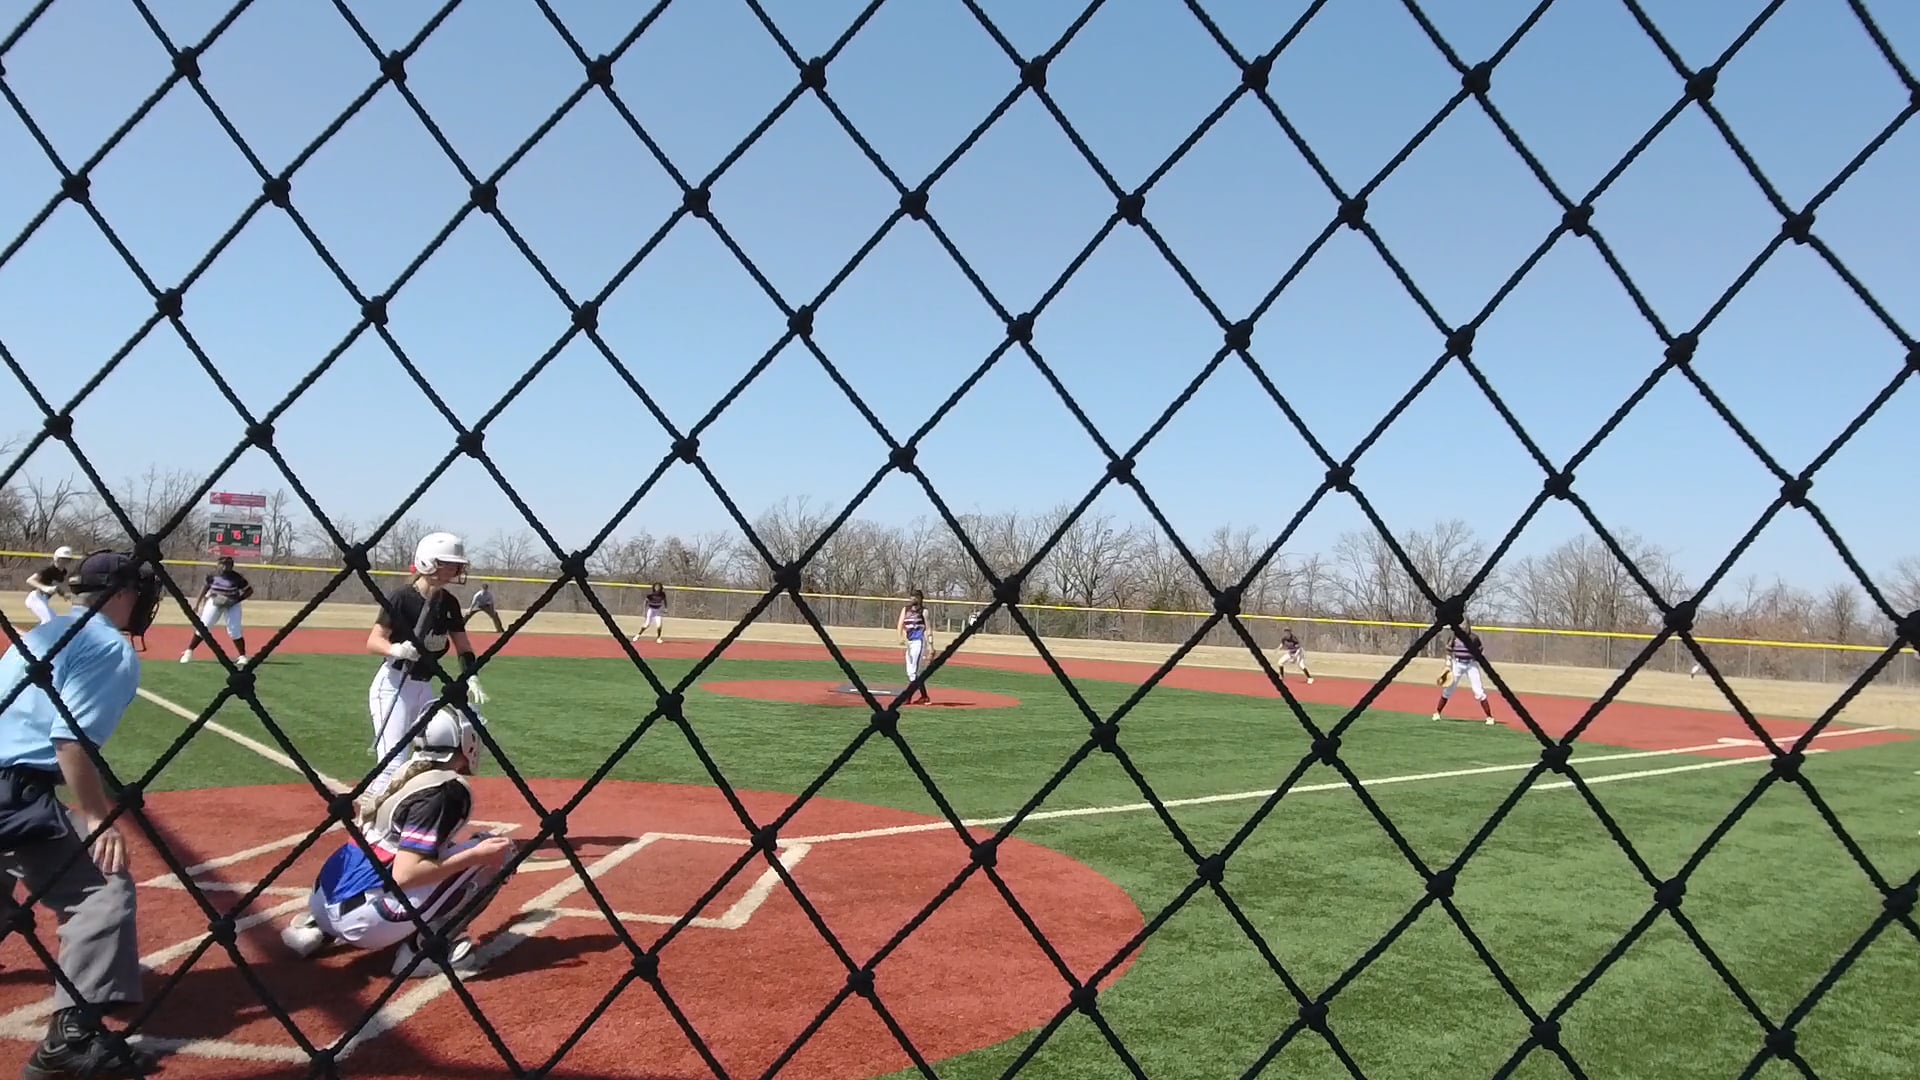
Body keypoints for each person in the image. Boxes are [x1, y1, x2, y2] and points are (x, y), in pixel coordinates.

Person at [0, 549, 163, 1079]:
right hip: (11, 789)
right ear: (122, 595)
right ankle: (71, 1041)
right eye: (139, 592)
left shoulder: (44, 632)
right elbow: (69, 738)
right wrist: (96, 816)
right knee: (102, 891)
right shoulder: (108, 647)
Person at [280, 703, 514, 979]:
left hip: (323, 902)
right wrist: (478, 855)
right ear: (465, 740)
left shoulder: (409, 771)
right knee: (498, 852)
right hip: (365, 921)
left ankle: (315, 929)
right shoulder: (444, 791)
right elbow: (406, 874)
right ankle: (422, 951)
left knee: (428, 850)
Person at [365, 532, 486, 802]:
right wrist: (396, 649)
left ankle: (412, 811)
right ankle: (370, 818)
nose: (455, 570)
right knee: (393, 762)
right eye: (448, 564)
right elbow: (373, 641)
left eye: (456, 565)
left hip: (424, 687)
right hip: (394, 685)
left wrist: (471, 675)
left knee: (431, 756)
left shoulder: (449, 603)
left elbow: (463, 646)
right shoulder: (402, 598)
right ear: (429, 562)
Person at [179, 555, 254, 665]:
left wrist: (237, 600)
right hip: (215, 601)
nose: (224, 567)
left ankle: (242, 656)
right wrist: (197, 603)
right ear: (218, 565)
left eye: (227, 565)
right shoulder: (212, 575)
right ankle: (189, 651)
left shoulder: (237, 577)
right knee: (204, 626)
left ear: (232, 566)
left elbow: (249, 591)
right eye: (222, 564)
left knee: (234, 630)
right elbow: (205, 588)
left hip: (232, 604)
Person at [1432, 619, 1496, 725]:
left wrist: (1476, 656)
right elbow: (1449, 649)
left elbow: (1480, 648)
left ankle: (1489, 717)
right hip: (1458, 664)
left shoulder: (1474, 638)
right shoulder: (1454, 637)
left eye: (1465, 626)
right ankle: (1437, 712)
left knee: (1479, 691)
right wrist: (1448, 663)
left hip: (1471, 664)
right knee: (1448, 689)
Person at [895, 590, 933, 706]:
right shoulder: (906, 609)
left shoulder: (924, 611)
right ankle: (924, 696)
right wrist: (900, 637)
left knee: (913, 671)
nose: (913, 599)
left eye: (915, 597)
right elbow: (900, 624)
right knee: (911, 671)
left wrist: (931, 646)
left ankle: (908, 697)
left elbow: (928, 629)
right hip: (910, 642)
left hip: (919, 641)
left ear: (920, 598)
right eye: (911, 596)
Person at [21, 546, 76, 626]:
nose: (64, 561)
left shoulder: (63, 572)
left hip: (44, 599)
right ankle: (39, 634)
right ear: (56, 558)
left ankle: (39, 633)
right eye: (62, 559)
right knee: (48, 620)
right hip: (35, 597)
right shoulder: (48, 569)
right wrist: (44, 588)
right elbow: (30, 580)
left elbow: (55, 586)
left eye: (67, 559)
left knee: (55, 620)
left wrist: (63, 595)